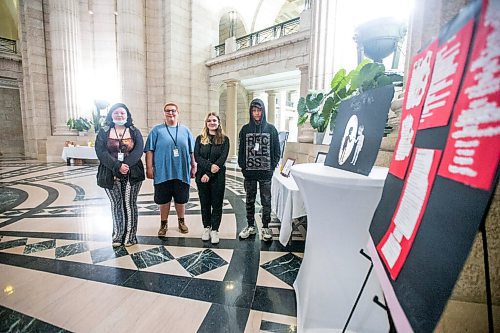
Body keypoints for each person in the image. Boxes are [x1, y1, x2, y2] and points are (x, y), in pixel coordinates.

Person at [95, 103, 145, 247]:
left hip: (132, 172)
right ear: (111, 115)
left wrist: (126, 165)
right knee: (116, 204)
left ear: (127, 115)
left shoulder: (134, 131)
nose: (119, 115)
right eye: (116, 113)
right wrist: (117, 166)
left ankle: (130, 236)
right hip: (109, 172)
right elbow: (101, 152)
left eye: (122, 113)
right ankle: (118, 235)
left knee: (129, 204)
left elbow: (138, 150)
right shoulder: (104, 132)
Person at [144, 102, 197, 236]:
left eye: (173, 110)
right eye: (167, 111)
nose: (170, 113)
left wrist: (194, 165)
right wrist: (149, 168)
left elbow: (192, 151)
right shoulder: (157, 130)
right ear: (164, 113)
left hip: (181, 171)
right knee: (163, 199)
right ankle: (163, 223)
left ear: (178, 113)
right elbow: (149, 150)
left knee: (181, 199)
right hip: (163, 172)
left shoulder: (185, 130)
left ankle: (181, 221)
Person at [238, 98, 280, 242]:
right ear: (250, 112)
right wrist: (242, 166)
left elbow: (277, 151)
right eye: (254, 110)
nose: (256, 113)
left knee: (266, 200)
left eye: (259, 110)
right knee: (249, 200)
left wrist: (272, 167)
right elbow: (241, 150)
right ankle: (250, 226)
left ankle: (266, 226)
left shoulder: (271, 129)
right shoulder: (245, 129)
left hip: (265, 173)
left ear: (263, 111)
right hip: (249, 173)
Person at [194, 112, 230, 244]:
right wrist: (209, 168)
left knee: (217, 204)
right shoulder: (199, 139)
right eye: (209, 120)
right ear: (206, 123)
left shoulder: (225, 140)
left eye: (214, 120)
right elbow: (198, 157)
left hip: (217, 177)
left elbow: (222, 159)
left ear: (218, 122)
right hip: (201, 177)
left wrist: (209, 174)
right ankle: (206, 228)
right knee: (205, 203)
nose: (212, 122)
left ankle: (215, 229)